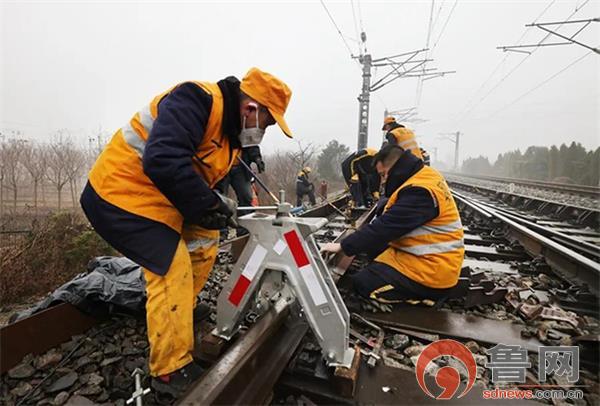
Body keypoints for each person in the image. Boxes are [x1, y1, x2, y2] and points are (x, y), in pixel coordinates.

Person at [80, 67, 292, 396]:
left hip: (162, 197)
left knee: (205, 242)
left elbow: (207, 171)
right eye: (267, 123)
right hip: (119, 193)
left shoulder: (231, 136)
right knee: (171, 266)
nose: (264, 131)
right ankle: (168, 370)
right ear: (251, 109)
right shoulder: (196, 99)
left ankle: (178, 312)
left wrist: (215, 211)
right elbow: (163, 159)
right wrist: (211, 203)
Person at [322, 145, 464, 304]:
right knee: (372, 248)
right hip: (427, 259)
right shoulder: (424, 175)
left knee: (362, 284)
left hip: (432, 274)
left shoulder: (420, 191)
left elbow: (384, 228)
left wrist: (343, 246)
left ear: (395, 168)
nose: (382, 181)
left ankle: (421, 296)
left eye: (383, 175)